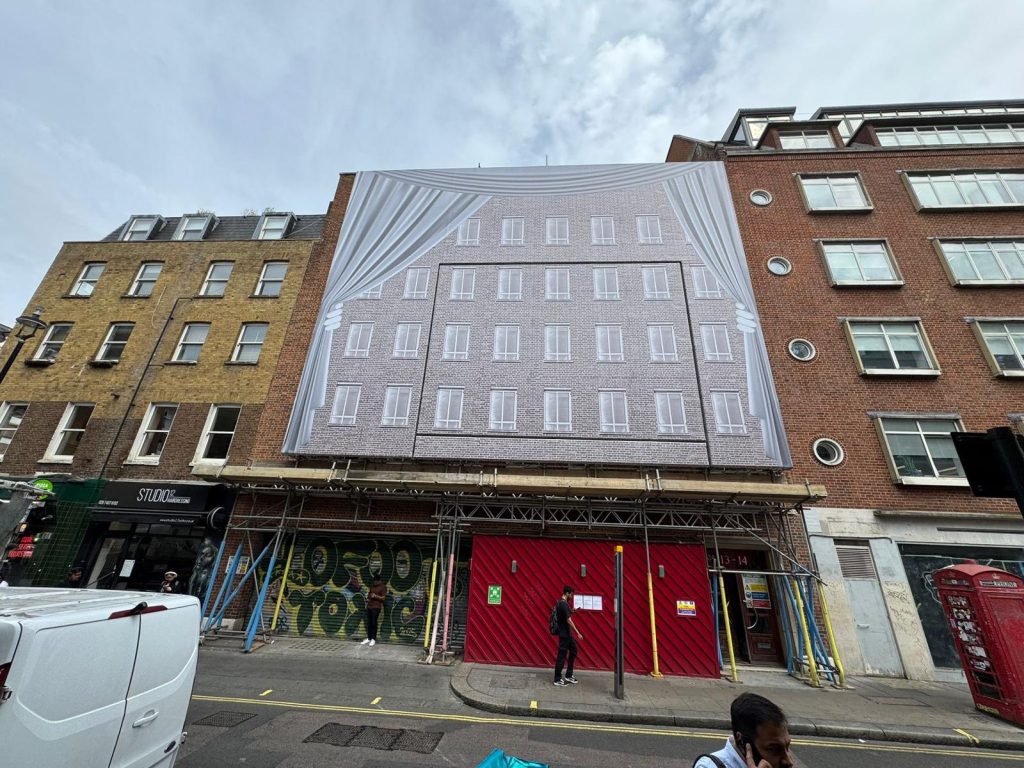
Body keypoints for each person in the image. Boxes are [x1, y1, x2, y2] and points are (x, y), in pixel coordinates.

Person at [693, 692, 795, 768]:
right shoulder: (709, 766)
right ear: (742, 742)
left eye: (787, 747)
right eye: (774, 749)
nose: (789, 761)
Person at [553, 584, 583, 686]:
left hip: (567, 634)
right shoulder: (563, 604)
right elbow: (568, 620)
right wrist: (578, 632)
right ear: (567, 593)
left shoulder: (564, 604)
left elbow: (567, 614)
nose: (572, 596)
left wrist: (573, 611)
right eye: (571, 595)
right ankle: (557, 679)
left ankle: (568, 675)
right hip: (564, 634)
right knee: (561, 656)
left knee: (574, 651)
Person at [361, 574, 387, 647]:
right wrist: (369, 596)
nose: (374, 583)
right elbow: (369, 595)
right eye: (374, 581)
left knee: (374, 623)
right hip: (369, 607)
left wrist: (376, 596)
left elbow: (383, 598)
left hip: (376, 607)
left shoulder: (383, 587)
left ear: (379, 581)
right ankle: (369, 638)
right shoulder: (372, 587)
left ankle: (373, 639)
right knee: (369, 623)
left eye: (376, 582)